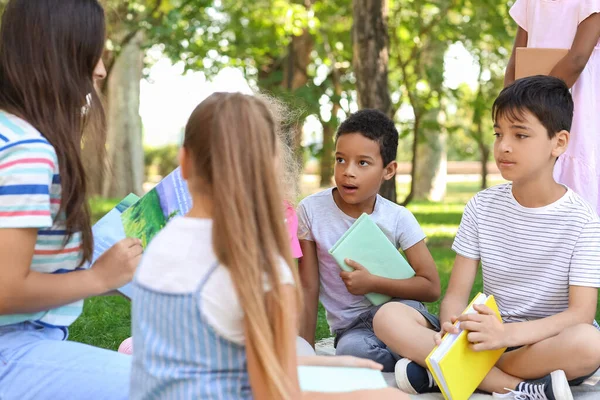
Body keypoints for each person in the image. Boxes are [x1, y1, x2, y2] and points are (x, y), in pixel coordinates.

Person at [129, 92, 407, 400]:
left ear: (183, 162)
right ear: (272, 168)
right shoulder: (261, 266)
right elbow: (276, 393)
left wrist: (331, 366)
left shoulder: (157, 242)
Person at [375, 76, 600, 400]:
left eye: (520, 135)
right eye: (498, 134)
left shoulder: (583, 221)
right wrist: (452, 323)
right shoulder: (482, 206)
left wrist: (505, 334)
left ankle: (447, 371)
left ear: (559, 142)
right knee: (388, 316)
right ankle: (517, 387)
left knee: (589, 344)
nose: (503, 146)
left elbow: (581, 314)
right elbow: (455, 295)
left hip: (544, 342)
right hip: (482, 334)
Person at [0, 0, 143, 398]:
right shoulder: (29, 151)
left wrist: (109, 269)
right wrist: (98, 278)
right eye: (93, 52)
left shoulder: (9, 133)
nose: (100, 69)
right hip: (11, 347)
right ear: (57, 52)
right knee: (171, 386)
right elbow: (4, 290)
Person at [297, 108, 441, 372]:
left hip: (400, 312)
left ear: (388, 170)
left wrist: (373, 283)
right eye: (340, 160)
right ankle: (424, 367)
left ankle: (424, 355)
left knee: (397, 327)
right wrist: (308, 353)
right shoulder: (310, 211)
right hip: (352, 329)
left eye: (362, 163)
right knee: (352, 352)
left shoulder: (398, 217)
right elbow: (307, 287)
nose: (347, 172)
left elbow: (431, 287)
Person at [505, 0, 600, 215]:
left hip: (573, 106)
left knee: (574, 182)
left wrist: (530, 109)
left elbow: (576, 60)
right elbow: (516, 61)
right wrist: (513, 109)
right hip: (531, 109)